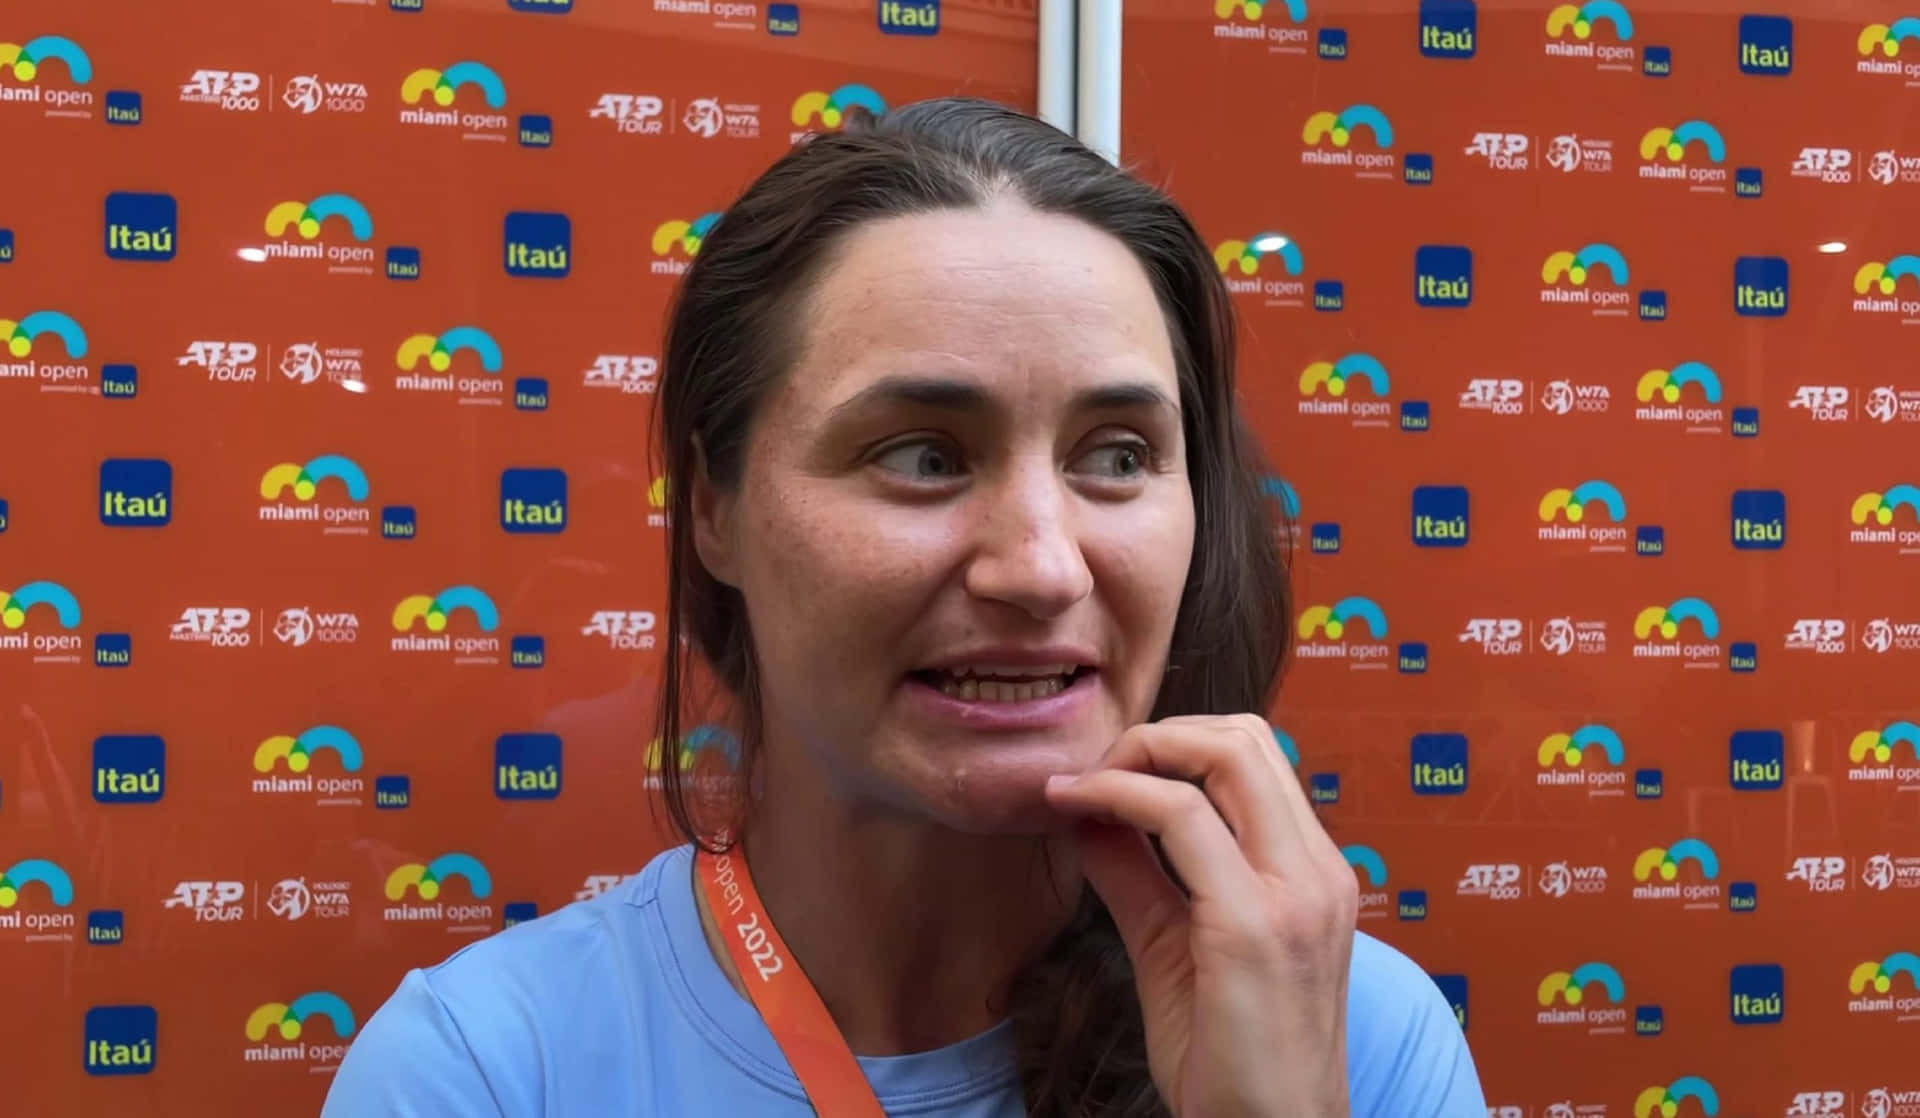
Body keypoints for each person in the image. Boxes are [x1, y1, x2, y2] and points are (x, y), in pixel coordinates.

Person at [322, 97, 1487, 1117]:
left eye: (1120, 454)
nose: (1042, 566)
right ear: (714, 507)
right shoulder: (484, 1070)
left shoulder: (1345, 1032)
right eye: (924, 456)